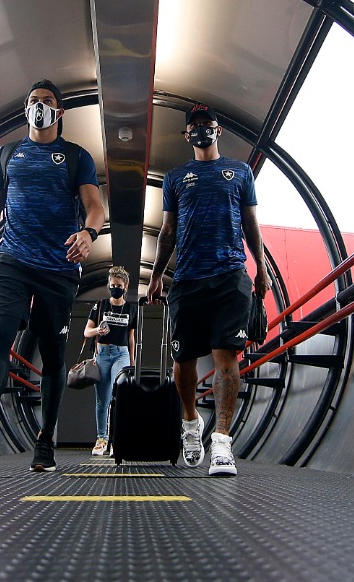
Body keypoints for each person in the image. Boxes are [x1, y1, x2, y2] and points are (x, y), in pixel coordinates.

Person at [0, 80, 105, 478]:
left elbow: (94, 205)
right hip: (11, 260)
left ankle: (45, 438)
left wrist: (89, 233)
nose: (40, 106)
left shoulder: (75, 156)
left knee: (52, 353)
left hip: (58, 267)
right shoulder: (7, 155)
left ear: (60, 112)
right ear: (26, 109)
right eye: (34, 101)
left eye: (48, 101)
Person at [146, 103, 269, 477]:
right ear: (187, 134)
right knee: (183, 362)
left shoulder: (240, 172)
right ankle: (190, 422)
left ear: (218, 130)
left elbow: (250, 223)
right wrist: (156, 275)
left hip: (230, 276)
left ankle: (222, 442)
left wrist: (262, 268)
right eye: (195, 125)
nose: (202, 129)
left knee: (226, 357)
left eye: (208, 124)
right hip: (187, 279)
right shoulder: (175, 178)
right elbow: (168, 230)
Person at [83, 265, 136, 456]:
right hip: (103, 354)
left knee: (118, 395)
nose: (115, 289)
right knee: (102, 399)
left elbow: (131, 338)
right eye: (112, 285)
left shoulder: (131, 309)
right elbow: (86, 331)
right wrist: (98, 330)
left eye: (119, 286)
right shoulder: (100, 305)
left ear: (125, 286)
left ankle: (116, 439)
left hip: (121, 354)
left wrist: (132, 362)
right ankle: (101, 439)